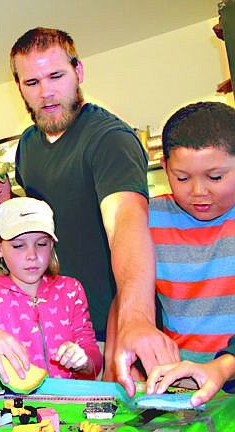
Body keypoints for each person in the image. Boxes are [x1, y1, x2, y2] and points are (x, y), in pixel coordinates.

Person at [0, 27, 178, 382]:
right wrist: (8, 202)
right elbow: (46, 223)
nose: (47, 92)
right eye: (32, 82)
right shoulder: (28, 146)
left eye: (56, 76)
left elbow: (126, 224)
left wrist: (135, 318)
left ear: (78, 72)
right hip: (54, 335)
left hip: (109, 332)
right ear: (19, 87)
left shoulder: (109, 139)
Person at [132, 101, 235, 402]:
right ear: (165, 168)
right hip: (182, 386)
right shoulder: (148, 218)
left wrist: (222, 367)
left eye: (215, 177)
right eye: (182, 177)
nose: (199, 191)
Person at [0, 197, 102, 383]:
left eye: (41, 244)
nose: (32, 255)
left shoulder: (70, 289)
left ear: (51, 245)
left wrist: (83, 361)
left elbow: (93, 356)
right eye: (18, 245)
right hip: (14, 406)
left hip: (66, 403)